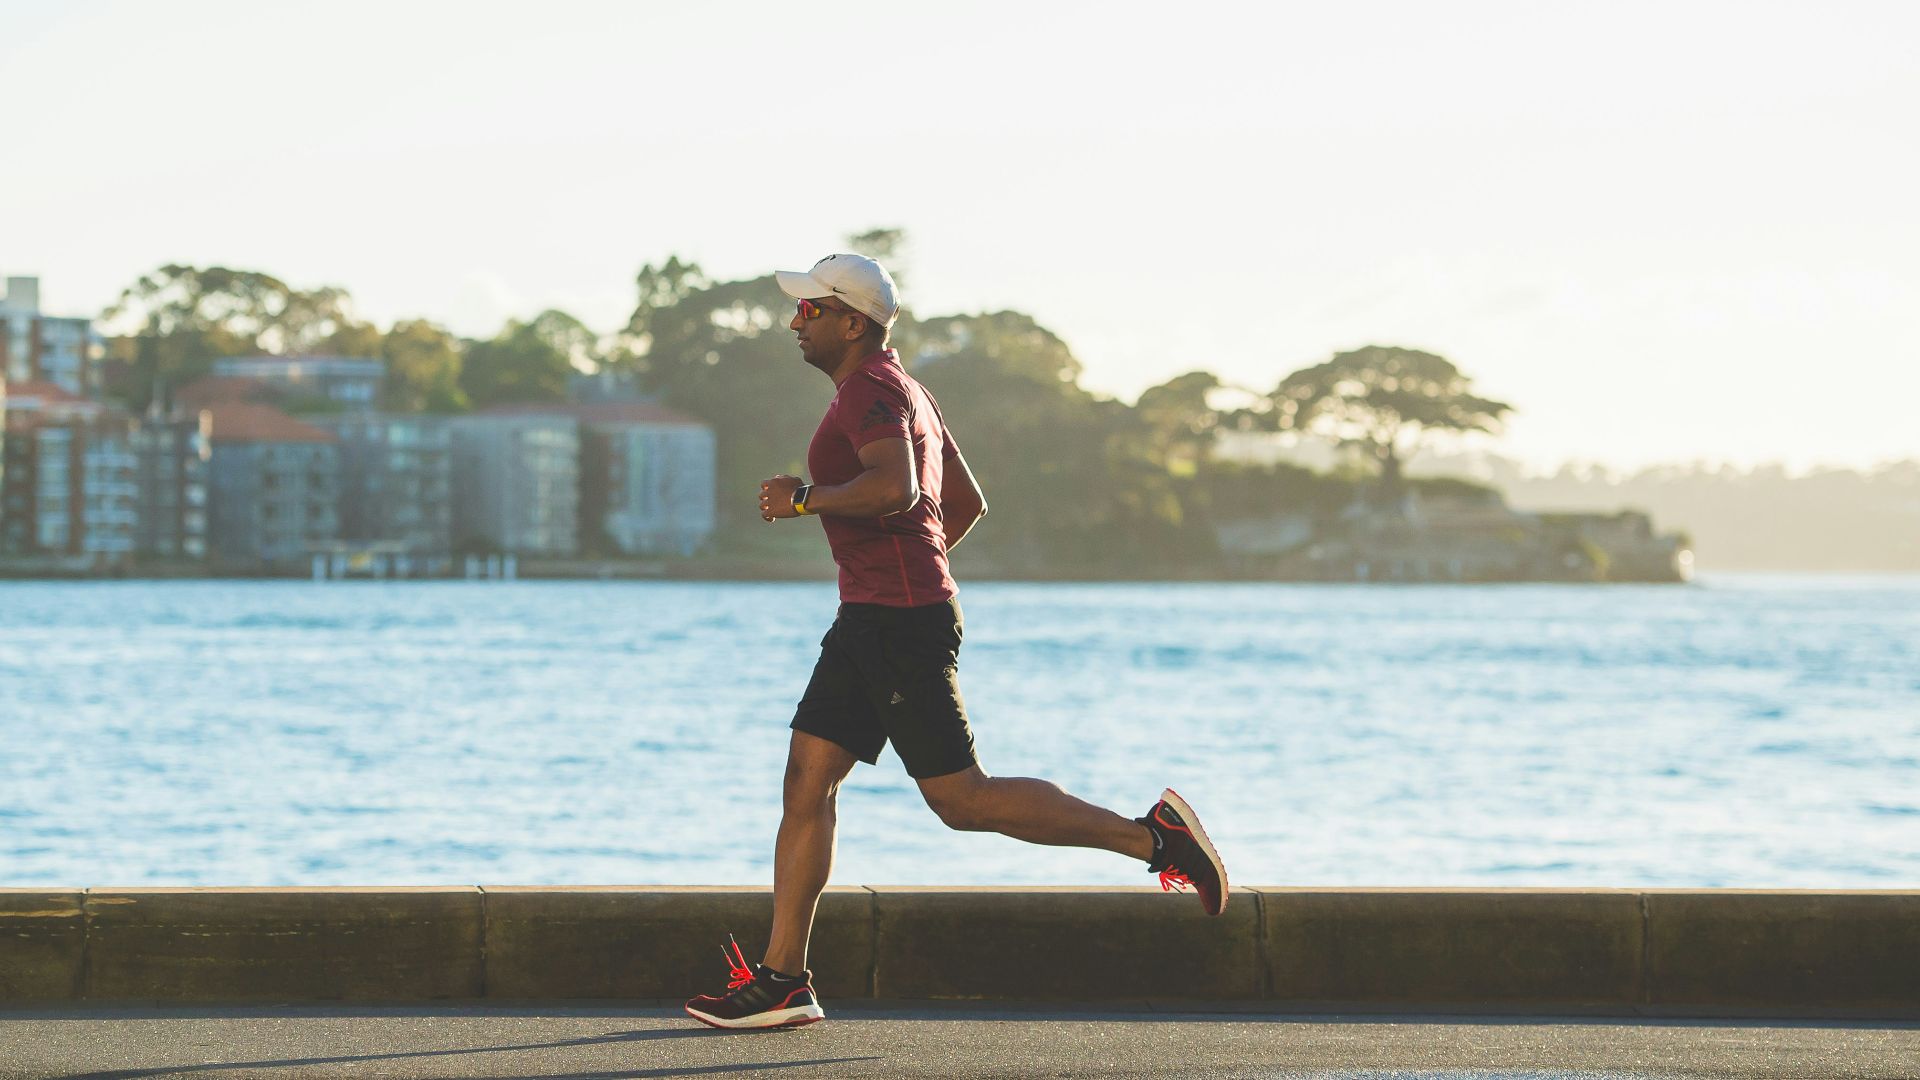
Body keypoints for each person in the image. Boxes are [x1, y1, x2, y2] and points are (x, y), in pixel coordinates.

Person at [683, 254, 1227, 1030]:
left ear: (852, 321)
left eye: (810, 310)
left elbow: (900, 489)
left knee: (961, 800)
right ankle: (783, 980)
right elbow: (962, 502)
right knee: (808, 781)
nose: (795, 321)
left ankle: (1154, 839)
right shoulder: (907, 390)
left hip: (895, 622)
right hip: (876, 616)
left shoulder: (873, 391)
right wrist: (909, 567)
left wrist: (806, 500)